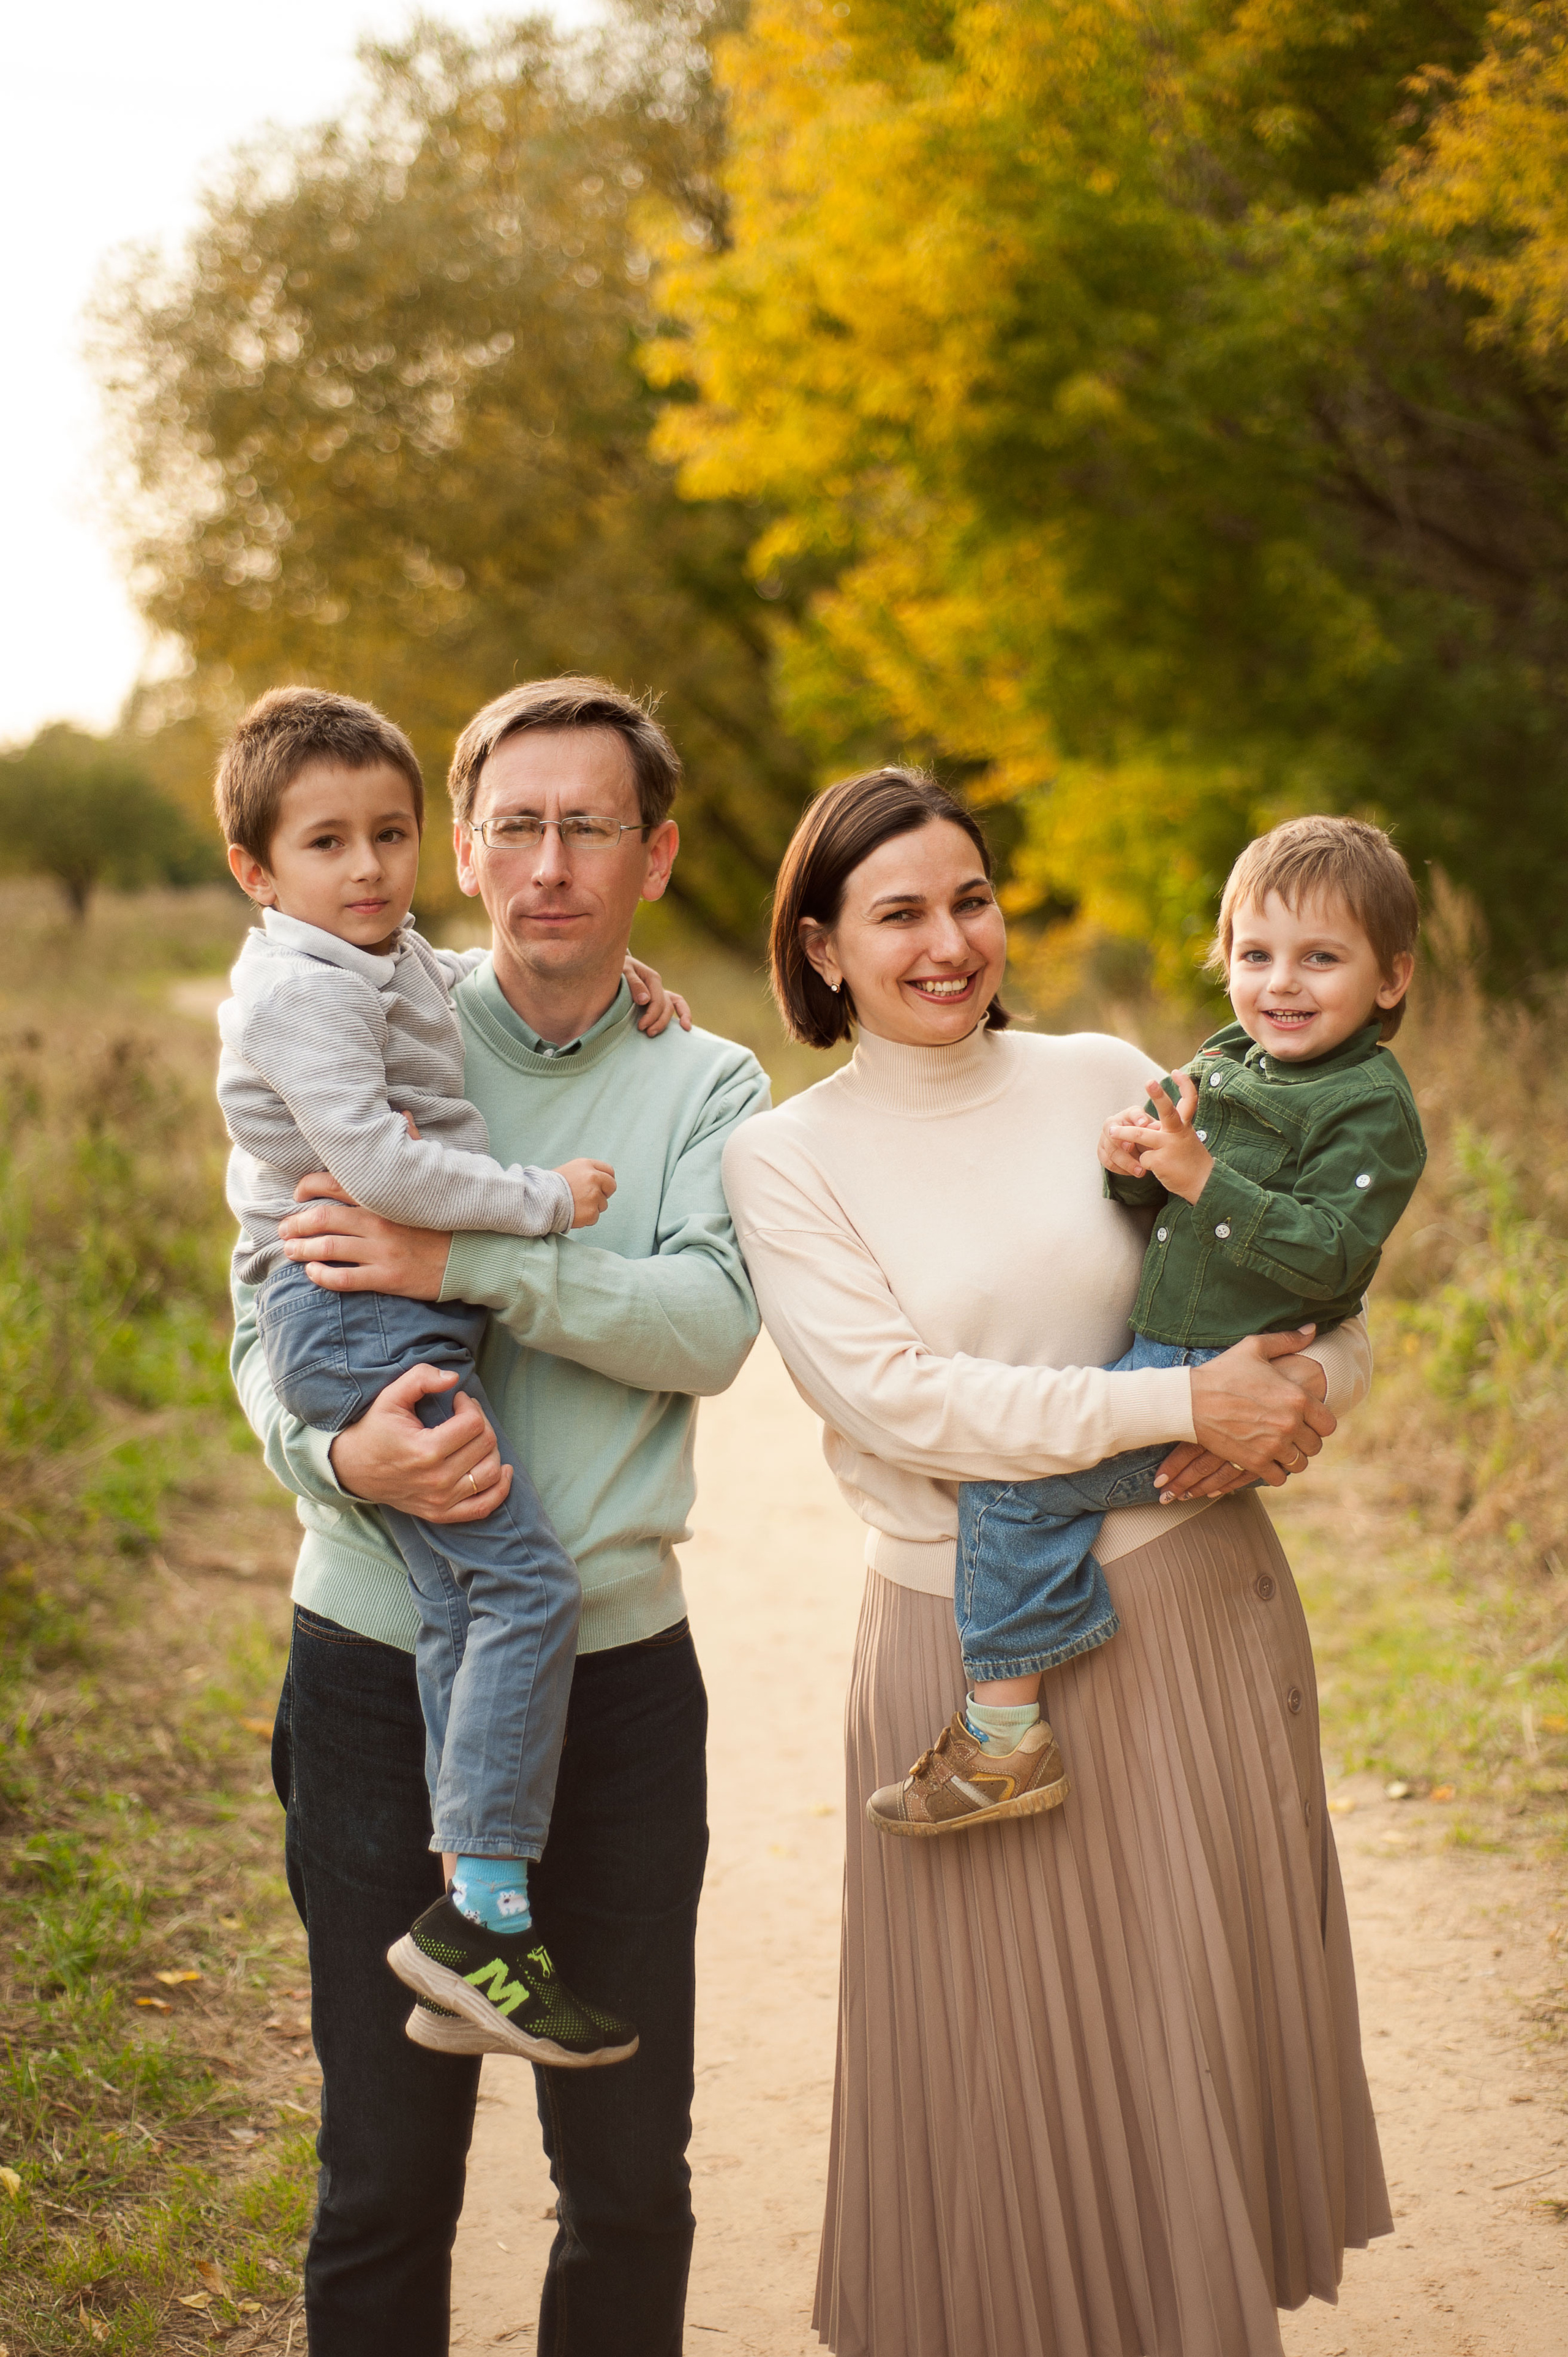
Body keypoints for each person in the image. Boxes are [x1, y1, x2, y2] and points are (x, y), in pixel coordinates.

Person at [722, 767, 1391, 2357]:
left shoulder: (1105, 1069)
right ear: (822, 949)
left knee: (1193, 2070)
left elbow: (1315, 1279)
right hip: (973, 1666)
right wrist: (1179, 1397)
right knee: (1006, 2085)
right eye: (899, 915)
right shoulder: (787, 1158)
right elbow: (903, 1398)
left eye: (971, 899)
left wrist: (1298, 1407)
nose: (949, 941)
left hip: (1199, 1613)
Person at [234, 677, 769, 2356]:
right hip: (374, 1664)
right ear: (463, 847)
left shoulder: (709, 1083)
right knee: (384, 2182)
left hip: (614, 1687)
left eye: (588, 825)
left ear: (654, 855)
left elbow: (709, 1328)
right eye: (516, 825)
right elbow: (266, 1335)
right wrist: (341, 1465)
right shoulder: (370, 1014)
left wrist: (465, 1266)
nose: (549, 863)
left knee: (627, 2184)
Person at [217, 683, 688, 2067]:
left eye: (389, 834)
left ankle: (472, 1908)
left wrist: (632, 987)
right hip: (351, 1316)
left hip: (372, 1320)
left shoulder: (380, 959)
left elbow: (467, 977)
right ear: (258, 871)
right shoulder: (301, 993)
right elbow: (373, 1173)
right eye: (325, 844)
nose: (366, 869)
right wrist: (536, 1200)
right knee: (519, 1583)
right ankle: (480, 1907)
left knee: (464, 1598)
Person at [873, 813, 1426, 1837]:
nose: (1282, 985)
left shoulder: (1367, 1106)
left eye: (1321, 959)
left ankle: (1004, 1739)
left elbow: (1337, 1260)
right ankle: (1033, 1696)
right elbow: (1159, 1217)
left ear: (1390, 980)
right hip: (1166, 1365)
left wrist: (1201, 1179)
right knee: (1032, 1480)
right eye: (1255, 956)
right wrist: (1129, 1169)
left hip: (1212, 1370)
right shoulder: (1224, 1062)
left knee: (1015, 1485)